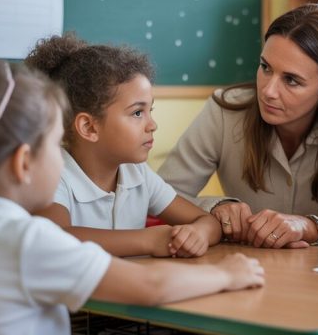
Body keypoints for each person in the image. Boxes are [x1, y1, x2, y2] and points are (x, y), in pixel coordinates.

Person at [0, 61, 264, 335]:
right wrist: (227, 273)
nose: (63, 159)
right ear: (23, 162)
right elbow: (151, 287)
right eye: (55, 146)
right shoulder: (26, 241)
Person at [158, 3, 318, 251]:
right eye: (265, 67)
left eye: (291, 80)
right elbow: (160, 195)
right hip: (243, 268)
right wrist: (215, 207)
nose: (268, 91)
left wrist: (307, 227)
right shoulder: (225, 109)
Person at [26, 34, 221, 258]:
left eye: (150, 110)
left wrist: (199, 233)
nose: (152, 125)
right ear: (89, 127)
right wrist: (149, 240)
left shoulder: (137, 174)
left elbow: (207, 222)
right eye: (137, 113)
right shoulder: (52, 174)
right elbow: (56, 238)